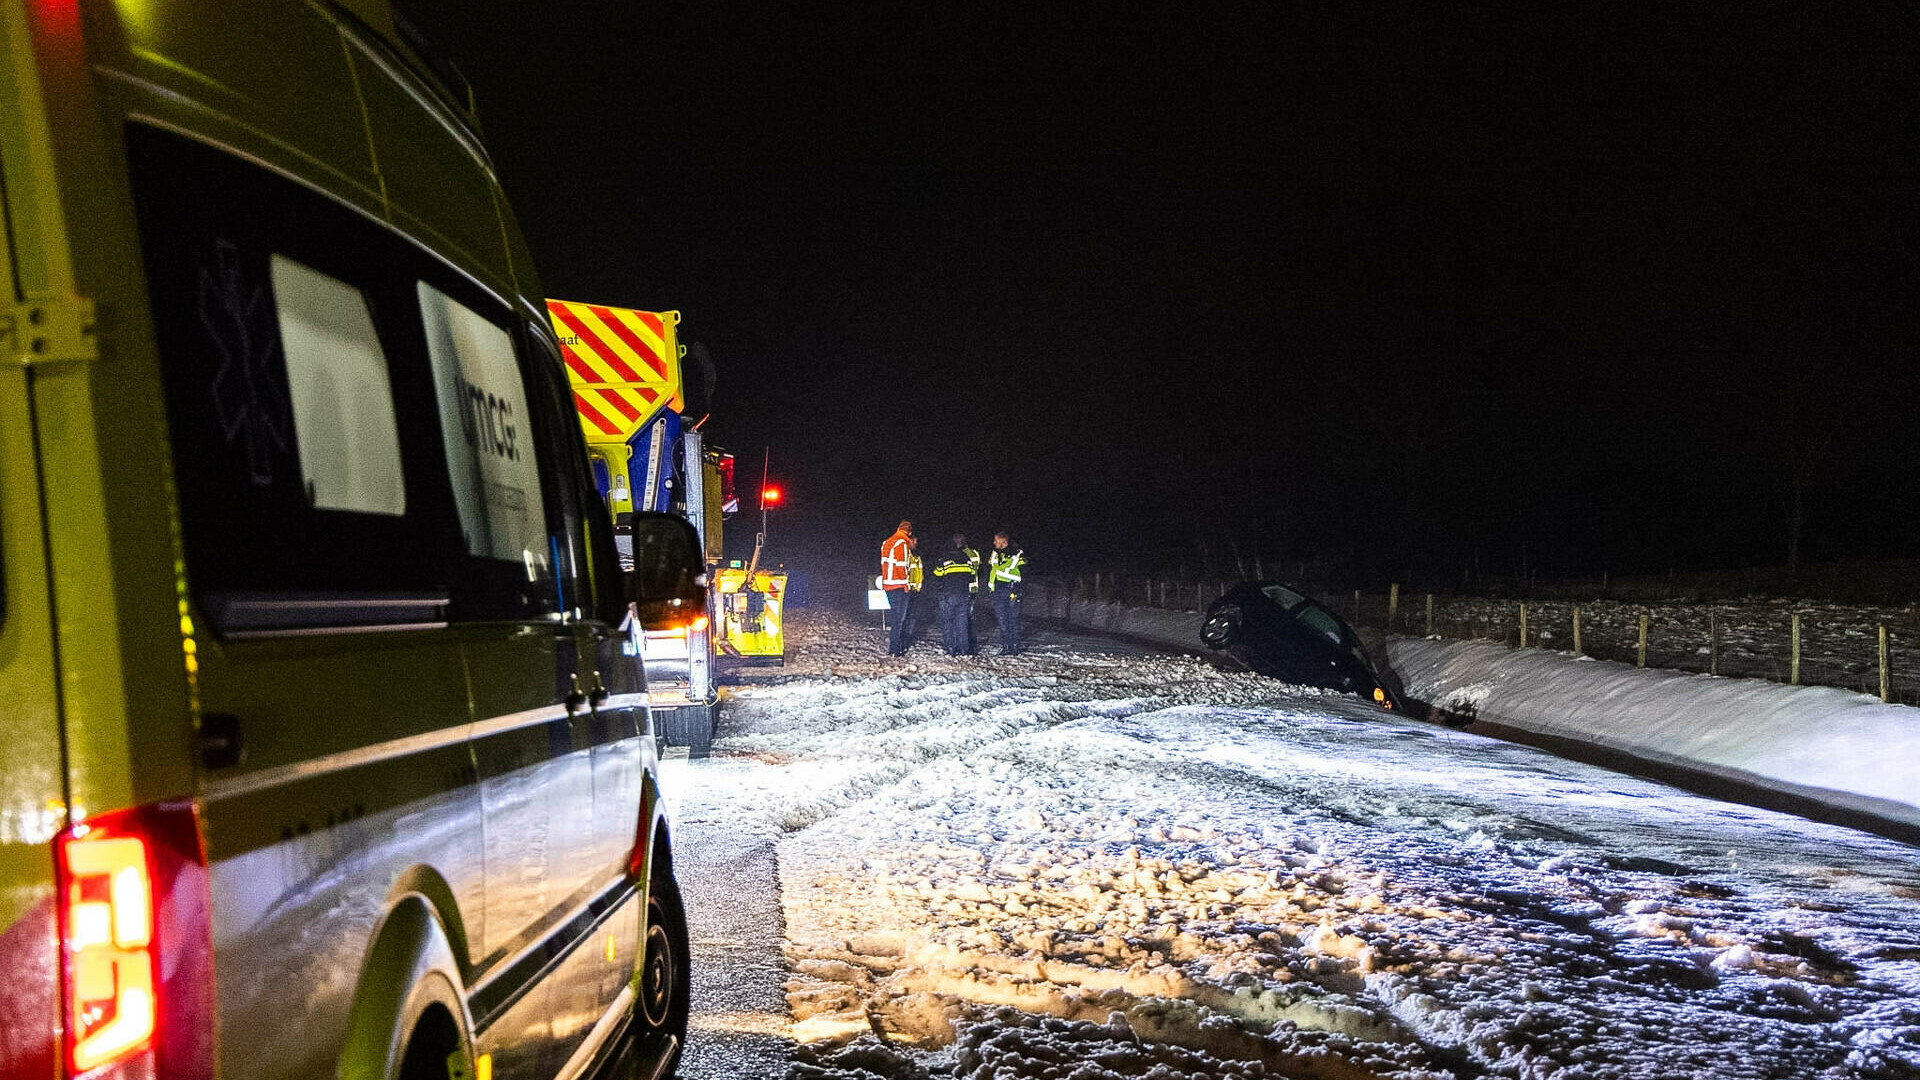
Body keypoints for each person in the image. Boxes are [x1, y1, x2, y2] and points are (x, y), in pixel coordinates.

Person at [932, 533, 979, 655]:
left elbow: (937, 574)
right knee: (962, 623)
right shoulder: (966, 558)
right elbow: (972, 574)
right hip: (964, 594)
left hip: (948, 594)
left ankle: (951, 648)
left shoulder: (945, 559)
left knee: (948, 622)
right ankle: (964, 649)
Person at [986, 531, 1026, 655]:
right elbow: (992, 567)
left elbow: (1013, 568)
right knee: (1002, 619)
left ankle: (1015, 647)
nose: (994, 543)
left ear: (1004, 541)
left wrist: (1017, 589)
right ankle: (1006, 646)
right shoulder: (995, 554)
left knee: (1013, 619)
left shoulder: (1017, 553)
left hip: (1012, 589)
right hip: (998, 590)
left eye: (996, 540)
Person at [879, 520, 916, 655]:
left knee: (895, 617)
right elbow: (901, 566)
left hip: (888, 584)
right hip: (899, 585)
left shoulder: (886, 542)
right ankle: (895, 649)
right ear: (909, 532)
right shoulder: (902, 543)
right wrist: (906, 585)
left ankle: (895, 648)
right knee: (899, 619)